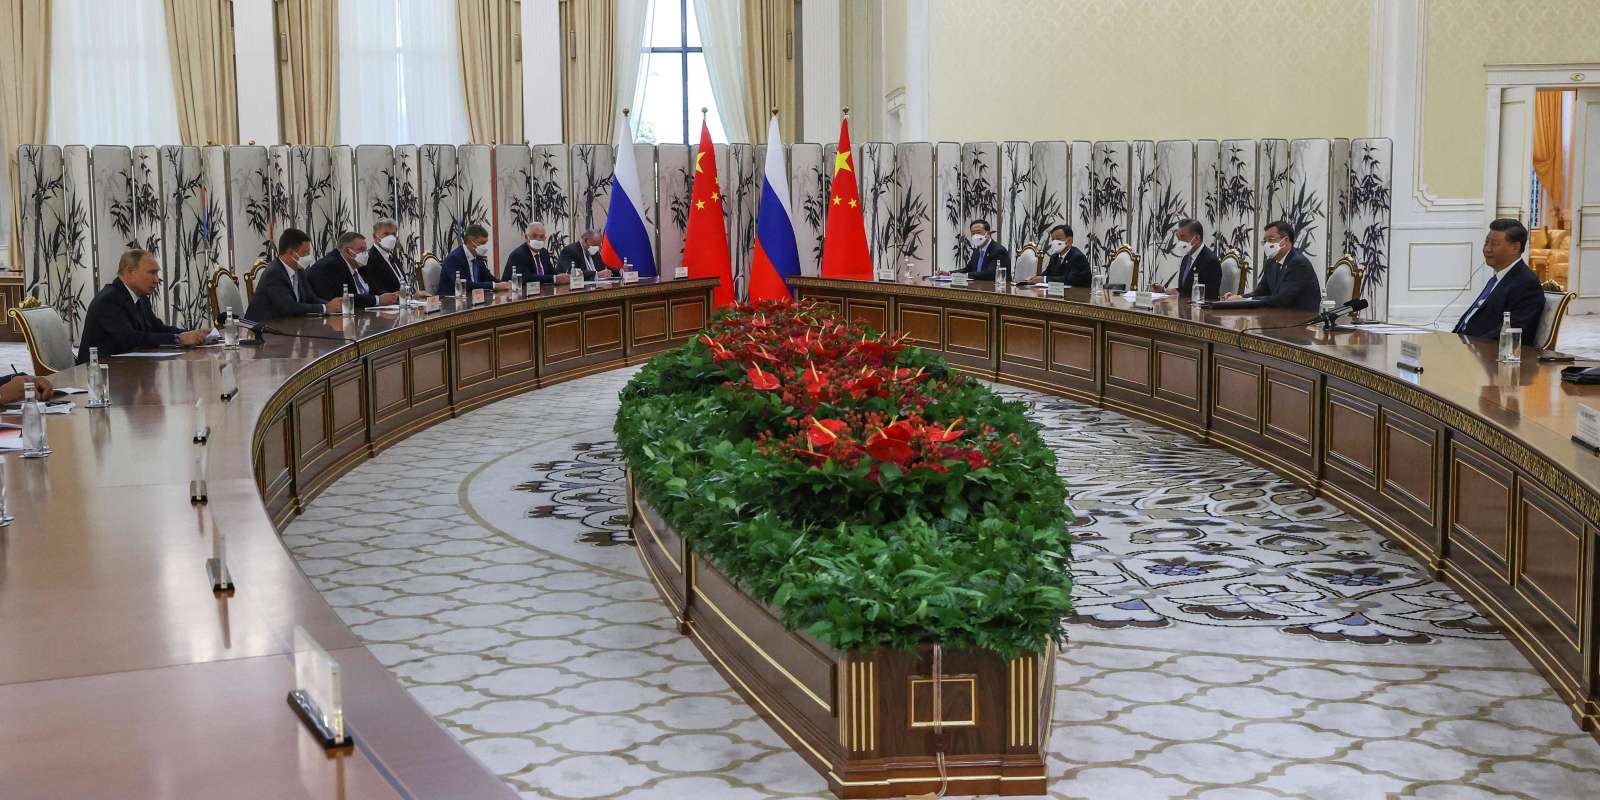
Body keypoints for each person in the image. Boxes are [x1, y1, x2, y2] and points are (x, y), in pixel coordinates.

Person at [76, 249, 211, 363]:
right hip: (99, 374)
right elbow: (130, 339)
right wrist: (179, 339)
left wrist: (194, 334)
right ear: (130, 272)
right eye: (152, 273)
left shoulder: (141, 298)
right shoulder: (108, 300)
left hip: (127, 370)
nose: (157, 280)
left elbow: (158, 328)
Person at [1452, 218, 1544, 340]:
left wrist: (1469, 347)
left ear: (1515, 247)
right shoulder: (1497, 278)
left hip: (1484, 353)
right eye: (1486, 243)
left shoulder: (1526, 283)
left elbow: (1510, 332)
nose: (1487, 249)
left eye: (1494, 244)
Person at [244, 228, 346, 323]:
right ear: (290, 253)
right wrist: (325, 308)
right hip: (265, 329)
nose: (309, 257)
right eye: (305, 253)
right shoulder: (274, 273)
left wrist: (334, 305)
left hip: (290, 325)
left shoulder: (299, 270)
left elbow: (311, 299)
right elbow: (289, 307)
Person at [1221, 221, 1320, 311]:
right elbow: (1261, 292)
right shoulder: (1271, 262)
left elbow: (1281, 300)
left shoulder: (1298, 264)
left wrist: (1246, 299)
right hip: (1279, 317)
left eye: (1271, 239)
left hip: (1301, 320)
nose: (1267, 244)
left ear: (1285, 240)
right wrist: (1240, 298)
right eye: (1265, 241)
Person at [306, 232, 399, 310]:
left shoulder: (359, 265)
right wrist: (378, 300)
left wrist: (390, 296)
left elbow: (373, 290)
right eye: (361, 250)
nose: (365, 254)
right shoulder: (331, 265)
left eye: (366, 250)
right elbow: (344, 298)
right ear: (348, 251)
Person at [1152, 219, 1221, 301]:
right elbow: (1184, 289)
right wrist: (1164, 290)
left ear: (1197, 238)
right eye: (1178, 238)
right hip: (1184, 310)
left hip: (1201, 312)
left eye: (1183, 237)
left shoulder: (1210, 261)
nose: (1180, 242)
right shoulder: (1186, 258)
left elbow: (1211, 296)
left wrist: (1181, 294)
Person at [439, 224, 508, 295]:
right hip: (451, 301)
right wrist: (495, 286)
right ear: (470, 241)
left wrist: (504, 284)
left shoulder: (478, 257)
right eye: (482, 243)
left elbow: (488, 277)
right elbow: (466, 285)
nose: (485, 247)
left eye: (486, 243)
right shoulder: (454, 259)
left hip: (473, 299)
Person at [361, 218, 416, 294]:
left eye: (393, 234)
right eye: (386, 234)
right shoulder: (369, 259)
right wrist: (398, 296)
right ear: (374, 237)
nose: (391, 238)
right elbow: (375, 291)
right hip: (389, 304)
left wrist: (414, 295)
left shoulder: (393, 257)